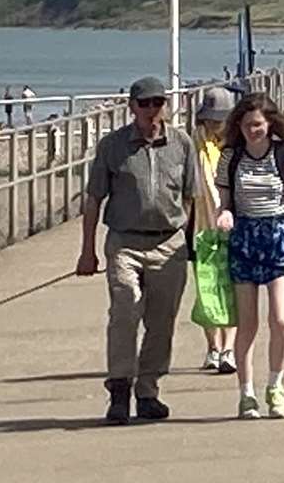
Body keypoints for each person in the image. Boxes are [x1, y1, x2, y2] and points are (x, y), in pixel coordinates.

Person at [77, 76, 196, 425]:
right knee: (125, 308)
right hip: (124, 241)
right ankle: (119, 389)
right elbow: (94, 198)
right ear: (131, 107)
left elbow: (190, 195)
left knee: (162, 321)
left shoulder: (182, 144)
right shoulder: (113, 146)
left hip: (168, 241)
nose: (152, 110)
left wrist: (186, 238)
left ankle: (148, 390)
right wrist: (88, 251)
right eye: (144, 103)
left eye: (158, 102)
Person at [215, 92, 284, 420]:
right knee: (247, 325)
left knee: (280, 319)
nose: (252, 131)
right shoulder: (230, 157)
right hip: (244, 240)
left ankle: (276, 385)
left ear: (270, 124)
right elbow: (224, 202)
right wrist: (224, 215)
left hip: (280, 239)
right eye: (246, 125)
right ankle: (246, 394)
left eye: (257, 124)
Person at [192, 87, 237, 374]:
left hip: (234, 226)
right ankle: (213, 347)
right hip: (201, 226)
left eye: (219, 120)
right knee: (206, 290)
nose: (215, 125)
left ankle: (229, 349)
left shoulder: (236, 145)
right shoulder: (193, 145)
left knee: (234, 288)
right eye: (211, 120)